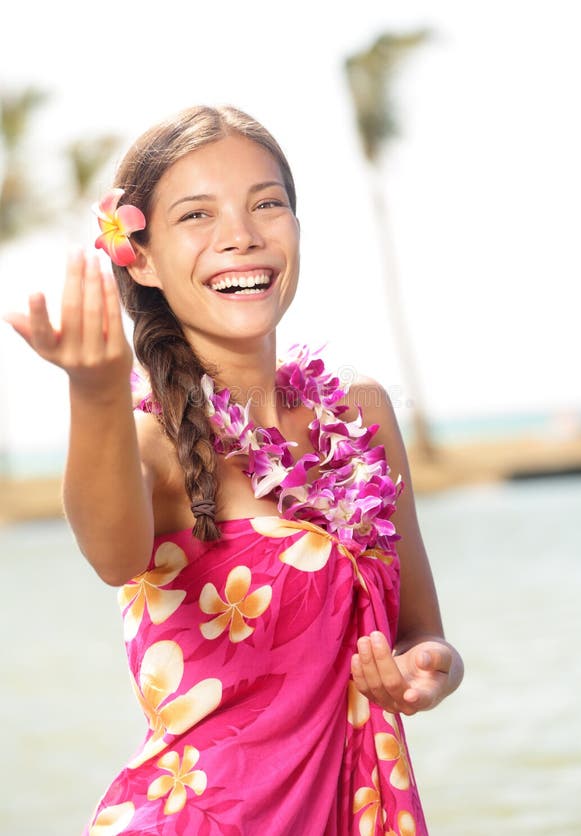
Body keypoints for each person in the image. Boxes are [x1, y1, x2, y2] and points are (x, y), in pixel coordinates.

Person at [5, 105, 463, 836]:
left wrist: (426, 670)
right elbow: (110, 554)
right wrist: (92, 392)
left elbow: (423, 634)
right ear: (141, 257)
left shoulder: (362, 414)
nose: (241, 235)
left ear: (298, 229)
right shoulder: (148, 440)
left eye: (267, 204)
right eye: (197, 215)